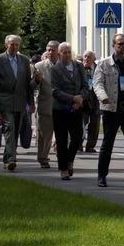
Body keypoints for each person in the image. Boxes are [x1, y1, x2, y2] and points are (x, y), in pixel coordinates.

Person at [92, 33, 124, 190]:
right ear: (113, 46)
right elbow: (97, 83)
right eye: (120, 44)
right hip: (111, 109)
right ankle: (102, 176)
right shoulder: (104, 64)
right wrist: (103, 97)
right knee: (108, 143)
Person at [0, 35, 38, 171]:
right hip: (4, 101)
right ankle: (11, 159)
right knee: (9, 128)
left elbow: (28, 84)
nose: (14, 47)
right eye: (12, 45)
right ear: (6, 45)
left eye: (16, 45)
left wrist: (31, 102)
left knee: (15, 130)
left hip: (20, 102)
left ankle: (7, 157)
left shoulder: (23, 60)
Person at [50, 42, 88, 180]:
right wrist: (72, 98)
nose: (67, 55)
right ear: (59, 54)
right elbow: (55, 91)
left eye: (68, 52)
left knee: (77, 136)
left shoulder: (78, 66)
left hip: (76, 109)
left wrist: (80, 100)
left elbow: (85, 86)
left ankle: (70, 160)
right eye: (64, 52)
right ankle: (64, 169)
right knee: (61, 140)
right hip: (60, 109)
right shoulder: (55, 69)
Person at [33, 41, 60, 169]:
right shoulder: (39, 66)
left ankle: (63, 158)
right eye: (48, 50)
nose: (50, 53)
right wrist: (37, 81)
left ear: (58, 52)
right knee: (44, 135)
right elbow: (31, 86)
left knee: (64, 135)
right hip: (46, 105)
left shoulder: (65, 66)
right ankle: (43, 158)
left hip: (62, 106)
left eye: (53, 50)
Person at [81, 50, 99, 152]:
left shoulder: (98, 69)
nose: (86, 59)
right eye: (85, 56)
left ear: (94, 59)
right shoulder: (79, 68)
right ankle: (79, 143)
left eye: (89, 57)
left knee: (94, 124)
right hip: (83, 99)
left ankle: (90, 145)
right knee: (81, 123)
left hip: (95, 100)